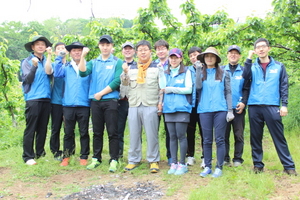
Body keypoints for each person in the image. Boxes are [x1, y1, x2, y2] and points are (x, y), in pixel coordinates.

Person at [243, 38, 297, 175]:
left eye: (263, 46)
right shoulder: (252, 66)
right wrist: (248, 58)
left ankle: (289, 166)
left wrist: (284, 105)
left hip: (272, 106)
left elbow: (283, 86)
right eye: (258, 47)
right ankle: (258, 165)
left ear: (268, 48)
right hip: (254, 106)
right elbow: (245, 77)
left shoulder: (279, 66)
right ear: (255, 51)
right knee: (255, 137)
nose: (261, 49)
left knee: (279, 137)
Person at [79, 35, 123, 173]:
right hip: (96, 103)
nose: (105, 47)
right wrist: (82, 57)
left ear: (112, 46)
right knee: (97, 132)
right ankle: (96, 158)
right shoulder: (93, 62)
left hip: (110, 101)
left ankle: (114, 159)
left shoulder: (118, 62)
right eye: (102, 44)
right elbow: (83, 73)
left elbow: (117, 81)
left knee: (112, 132)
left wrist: (101, 93)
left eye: (107, 45)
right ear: (99, 46)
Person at [121, 40, 162, 173]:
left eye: (145, 49)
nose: (143, 52)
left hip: (151, 104)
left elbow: (161, 88)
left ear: (150, 52)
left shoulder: (157, 67)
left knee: (152, 134)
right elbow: (124, 86)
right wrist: (125, 73)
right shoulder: (130, 67)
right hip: (134, 104)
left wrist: (160, 103)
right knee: (133, 134)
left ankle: (153, 160)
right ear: (136, 52)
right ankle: (133, 160)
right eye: (140, 50)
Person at [51, 42, 91, 167]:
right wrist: (59, 57)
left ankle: (84, 156)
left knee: (84, 132)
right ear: (70, 53)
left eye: (79, 50)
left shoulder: (88, 66)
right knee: (68, 132)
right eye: (74, 50)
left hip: (84, 104)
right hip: (68, 104)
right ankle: (67, 155)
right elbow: (57, 74)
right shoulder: (66, 67)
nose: (77, 52)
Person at [196, 47, 234, 178]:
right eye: (207, 56)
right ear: (204, 59)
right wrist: (198, 71)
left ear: (216, 59)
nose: (209, 58)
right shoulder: (201, 72)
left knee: (220, 139)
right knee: (206, 140)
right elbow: (198, 88)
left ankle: (219, 166)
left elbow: (228, 92)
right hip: (204, 110)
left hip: (221, 109)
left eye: (212, 56)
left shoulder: (224, 73)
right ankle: (207, 166)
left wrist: (230, 110)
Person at [21, 35, 52, 165]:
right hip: (33, 98)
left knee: (43, 128)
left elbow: (50, 75)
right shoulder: (27, 61)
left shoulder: (47, 61)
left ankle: (40, 153)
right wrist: (34, 66)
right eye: (37, 44)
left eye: (43, 44)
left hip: (46, 98)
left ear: (46, 48)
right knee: (31, 128)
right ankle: (28, 156)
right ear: (32, 47)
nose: (40, 46)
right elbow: (28, 80)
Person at [161, 48, 192, 175]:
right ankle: (173, 163)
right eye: (171, 57)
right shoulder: (165, 73)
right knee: (172, 137)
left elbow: (189, 89)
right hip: (168, 108)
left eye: (176, 57)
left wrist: (173, 89)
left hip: (182, 108)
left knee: (181, 136)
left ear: (180, 58)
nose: (173, 60)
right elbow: (162, 88)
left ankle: (182, 163)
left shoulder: (186, 72)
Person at [222, 45, 249, 167]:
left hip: (239, 108)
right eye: (231, 53)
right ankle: (225, 158)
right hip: (224, 108)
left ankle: (238, 158)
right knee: (224, 135)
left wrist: (244, 102)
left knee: (238, 134)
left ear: (239, 56)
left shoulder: (244, 71)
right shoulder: (221, 70)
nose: (233, 55)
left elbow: (247, 88)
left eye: (236, 53)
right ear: (227, 55)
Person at [45, 42, 67, 161]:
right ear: (55, 52)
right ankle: (56, 151)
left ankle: (69, 150)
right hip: (56, 101)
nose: (61, 50)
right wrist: (49, 56)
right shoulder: (54, 64)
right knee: (56, 127)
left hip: (69, 101)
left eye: (63, 48)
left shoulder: (70, 65)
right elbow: (48, 71)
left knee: (69, 127)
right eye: (58, 49)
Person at [154, 39, 172, 165]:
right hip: (154, 101)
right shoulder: (153, 65)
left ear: (167, 50)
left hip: (169, 101)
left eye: (163, 48)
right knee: (153, 129)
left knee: (169, 130)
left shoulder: (173, 63)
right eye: (158, 49)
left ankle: (170, 156)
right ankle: (154, 157)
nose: (160, 51)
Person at [186, 47, 204, 167]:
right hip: (190, 105)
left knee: (204, 132)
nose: (193, 57)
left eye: (196, 55)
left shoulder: (207, 69)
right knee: (190, 131)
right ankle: (190, 155)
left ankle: (205, 156)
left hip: (203, 105)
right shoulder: (187, 70)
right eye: (191, 55)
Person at [118, 41, 136, 158]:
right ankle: (118, 154)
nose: (127, 50)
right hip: (120, 101)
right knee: (119, 129)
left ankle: (135, 154)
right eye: (125, 49)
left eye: (130, 49)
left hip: (134, 101)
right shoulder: (118, 64)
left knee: (135, 129)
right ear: (122, 51)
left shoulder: (138, 65)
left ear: (134, 51)